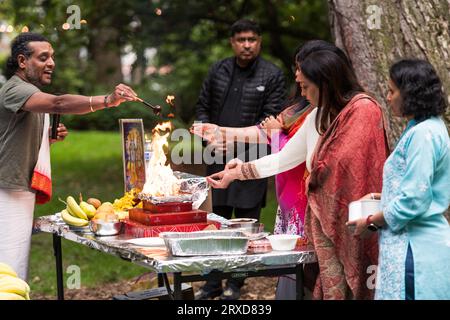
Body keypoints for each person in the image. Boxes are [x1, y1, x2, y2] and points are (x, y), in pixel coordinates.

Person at [208, 50, 389, 299]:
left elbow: (346, 164)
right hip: (322, 221)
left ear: (325, 83)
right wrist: (237, 173)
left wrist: (314, 173)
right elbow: (285, 158)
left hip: (357, 219)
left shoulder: (363, 109)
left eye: (305, 87)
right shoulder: (317, 114)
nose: (302, 94)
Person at [0, 32, 139, 281]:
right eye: (43, 57)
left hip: (19, 186)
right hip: (6, 189)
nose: (51, 63)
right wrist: (107, 100)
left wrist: (47, 139)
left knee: (17, 263)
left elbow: (14, 136)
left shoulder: (29, 92)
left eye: (52, 57)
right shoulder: (15, 89)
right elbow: (59, 104)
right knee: (8, 265)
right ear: (22, 61)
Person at [194, 19, 286, 300]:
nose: (247, 45)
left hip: (252, 162)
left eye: (252, 40)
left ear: (259, 41)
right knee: (214, 225)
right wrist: (206, 134)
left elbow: (271, 121)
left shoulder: (272, 75)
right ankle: (211, 284)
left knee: (246, 226)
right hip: (217, 158)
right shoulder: (218, 70)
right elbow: (202, 108)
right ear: (232, 42)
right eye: (241, 40)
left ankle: (236, 283)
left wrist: (234, 139)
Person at [347, 59, 450, 300]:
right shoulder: (424, 127)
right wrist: (380, 197)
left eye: (392, 90)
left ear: (410, 94)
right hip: (413, 246)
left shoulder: (424, 135)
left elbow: (414, 200)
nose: (388, 96)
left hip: (416, 250)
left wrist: (371, 221)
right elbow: (421, 188)